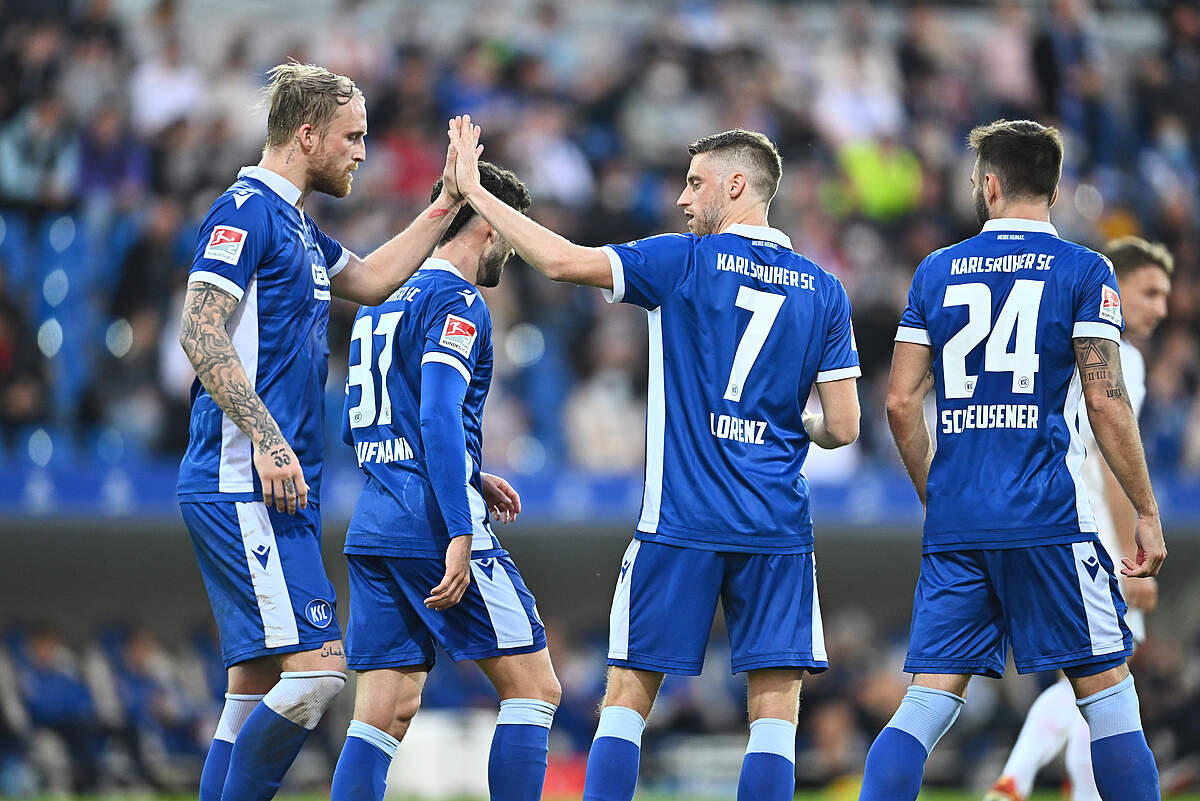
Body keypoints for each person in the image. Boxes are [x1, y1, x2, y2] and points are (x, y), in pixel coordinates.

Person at [448, 116, 861, 801]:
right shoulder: (825, 289)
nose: (681, 199)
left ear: (737, 185)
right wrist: (797, 421)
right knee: (775, 718)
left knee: (626, 700)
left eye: (695, 183)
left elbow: (557, 261)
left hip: (682, 520)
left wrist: (474, 192)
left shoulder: (681, 260)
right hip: (778, 528)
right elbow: (844, 426)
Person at [175, 65, 504, 801]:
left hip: (277, 486)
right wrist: (265, 436)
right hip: (240, 477)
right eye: (352, 136)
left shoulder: (298, 226)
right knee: (321, 672)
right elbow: (198, 329)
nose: (362, 152)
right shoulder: (245, 211)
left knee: (252, 686)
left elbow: (373, 279)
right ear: (307, 134)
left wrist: (447, 201)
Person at [859, 119, 1166, 801]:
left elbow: (901, 404)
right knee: (1109, 694)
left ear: (990, 186)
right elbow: (1107, 399)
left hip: (960, 522)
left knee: (928, 701)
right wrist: (1146, 510)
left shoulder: (936, 271)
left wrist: (935, 497)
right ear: (1052, 190)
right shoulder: (1086, 270)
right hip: (1048, 517)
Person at [329, 155, 561, 801]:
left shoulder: (381, 296)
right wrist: (460, 524)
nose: (505, 260)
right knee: (536, 688)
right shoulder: (457, 298)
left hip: (375, 518)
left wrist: (466, 463)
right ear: (487, 226)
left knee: (385, 710)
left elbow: (366, 424)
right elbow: (433, 409)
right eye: (508, 242)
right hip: (431, 521)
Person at [985, 236, 1174, 801]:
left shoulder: (1064, 337)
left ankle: (1072, 790)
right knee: (1102, 683)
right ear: (1119, 287)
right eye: (1149, 292)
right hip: (1092, 533)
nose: (1161, 308)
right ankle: (1016, 780)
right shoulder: (1123, 358)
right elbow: (1112, 462)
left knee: (1095, 682)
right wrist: (1132, 549)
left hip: (1043, 517)